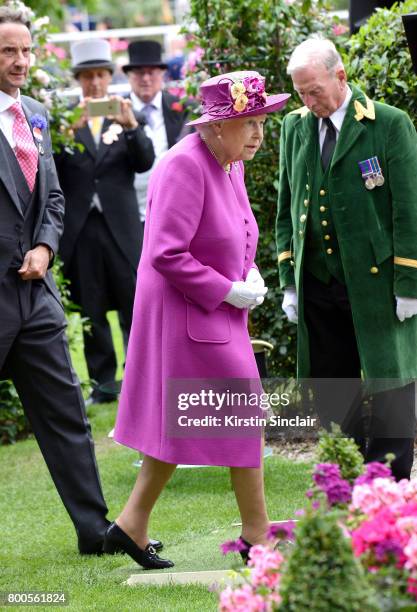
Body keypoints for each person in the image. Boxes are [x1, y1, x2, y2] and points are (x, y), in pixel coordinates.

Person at [103, 71, 290, 569]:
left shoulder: (231, 162)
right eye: (249, 123)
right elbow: (166, 252)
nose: (258, 134)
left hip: (215, 311)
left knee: (184, 418)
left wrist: (246, 270)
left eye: (261, 122)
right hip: (186, 313)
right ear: (214, 126)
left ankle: (130, 525)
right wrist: (228, 289)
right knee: (241, 408)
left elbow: (239, 229)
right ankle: (257, 533)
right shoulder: (182, 165)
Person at [276, 37, 417, 480]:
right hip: (318, 283)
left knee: (392, 386)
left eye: (314, 90)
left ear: (340, 77)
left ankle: (387, 492)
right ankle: (345, 484)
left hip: (376, 285)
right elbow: (287, 207)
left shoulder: (388, 124)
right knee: (335, 393)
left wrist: (409, 284)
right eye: (300, 92)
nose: (308, 100)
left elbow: (409, 209)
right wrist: (289, 280)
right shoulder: (294, 127)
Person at [0, 5, 110, 553]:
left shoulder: (37, 114)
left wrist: (45, 245)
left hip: (36, 297)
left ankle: (95, 531)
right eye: (8, 52)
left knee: (68, 414)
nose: (21, 61)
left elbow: (55, 196)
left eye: (26, 51)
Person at [55, 39, 155, 405]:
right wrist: (65, 135)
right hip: (81, 228)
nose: (94, 83)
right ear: (79, 80)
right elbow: (50, 170)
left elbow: (145, 162)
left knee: (134, 303)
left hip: (122, 226)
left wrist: (131, 128)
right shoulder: (65, 120)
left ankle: (141, 378)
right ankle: (104, 383)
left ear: (109, 77)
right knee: (90, 304)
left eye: (100, 75)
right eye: (87, 77)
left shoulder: (127, 112)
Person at [122, 40, 188, 228]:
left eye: (151, 72)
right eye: (139, 73)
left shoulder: (181, 109)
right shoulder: (117, 111)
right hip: (131, 213)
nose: (146, 79)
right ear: (129, 76)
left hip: (175, 209)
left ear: (162, 74)